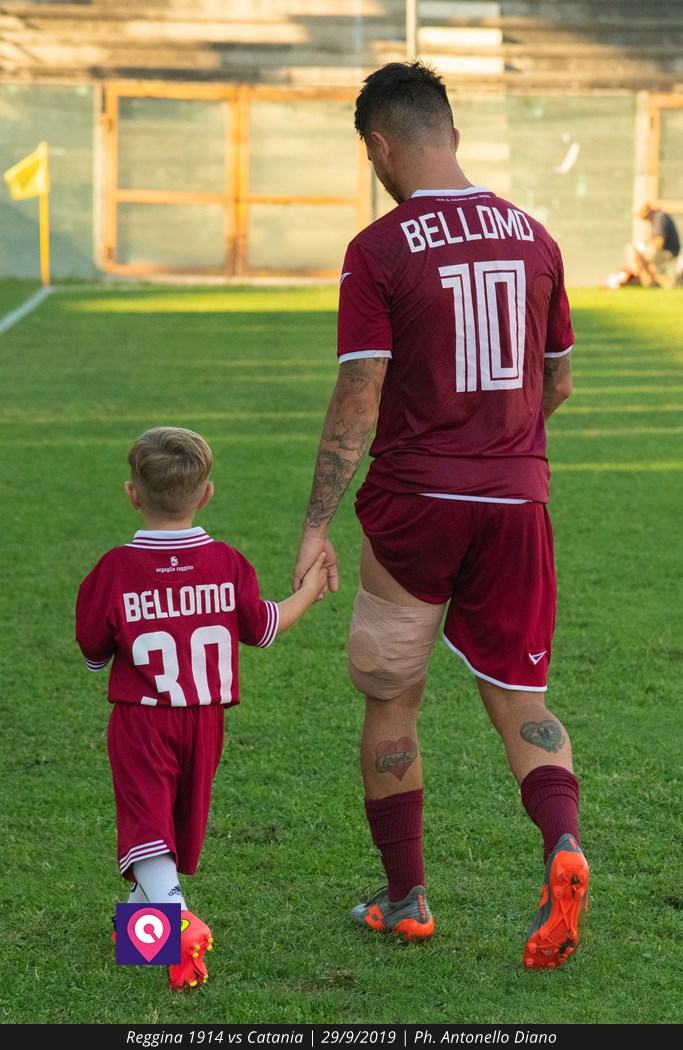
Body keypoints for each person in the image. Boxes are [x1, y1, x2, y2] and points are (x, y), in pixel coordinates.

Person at [292, 61, 589, 970]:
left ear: (380, 147)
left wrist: (315, 522)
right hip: (516, 501)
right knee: (521, 699)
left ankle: (406, 899)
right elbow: (558, 380)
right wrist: (503, 451)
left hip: (416, 503)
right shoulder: (535, 236)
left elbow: (359, 393)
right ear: (451, 134)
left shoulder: (378, 248)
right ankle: (563, 846)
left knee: (391, 695)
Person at [76, 426, 327, 991]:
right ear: (207, 494)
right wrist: (310, 590)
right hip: (207, 720)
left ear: (132, 494)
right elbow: (263, 628)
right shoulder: (227, 562)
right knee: (166, 825)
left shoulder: (114, 569)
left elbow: (94, 650)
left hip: (144, 718)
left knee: (147, 824)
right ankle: (146, 944)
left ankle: (179, 918)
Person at [625, 203, 680, 287]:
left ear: (646, 212)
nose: (645, 221)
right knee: (637, 254)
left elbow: (659, 242)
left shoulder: (659, 218)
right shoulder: (659, 217)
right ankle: (649, 281)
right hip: (667, 251)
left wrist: (644, 249)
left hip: (667, 252)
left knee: (635, 254)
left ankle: (648, 281)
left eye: (644, 218)